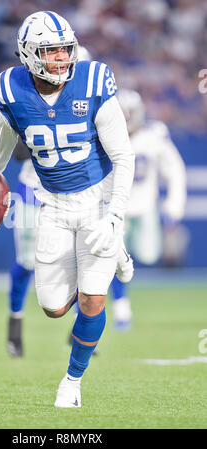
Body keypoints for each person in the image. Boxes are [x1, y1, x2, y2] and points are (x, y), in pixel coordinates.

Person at [0, 11, 135, 408]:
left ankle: (72, 383)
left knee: (93, 299)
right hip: (53, 205)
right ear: (28, 54)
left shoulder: (93, 81)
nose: (60, 58)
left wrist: (115, 214)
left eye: (64, 49)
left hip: (97, 200)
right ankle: (111, 259)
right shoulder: (11, 90)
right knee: (54, 308)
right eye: (50, 51)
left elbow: (124, 156)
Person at [7, 45, 92, 358]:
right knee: (27, 261)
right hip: (34, 192)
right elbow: (16, 152)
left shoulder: (91, 101)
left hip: (78, 194)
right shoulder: (26, 97)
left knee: (83, 259)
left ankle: (79, 329)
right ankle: (14, 326)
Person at [109, 89, 187, 331]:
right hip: (116, 208)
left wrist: (174, 206)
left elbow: (174, 170)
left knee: (149, 254)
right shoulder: (104, 135)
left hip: (144, 207)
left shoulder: (154, 135)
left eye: (130, 112)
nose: (127, 117)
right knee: (112, 258)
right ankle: (121, 306)